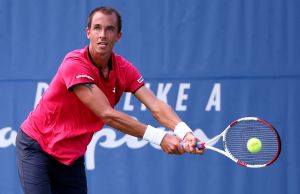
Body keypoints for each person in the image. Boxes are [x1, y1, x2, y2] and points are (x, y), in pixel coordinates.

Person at [16, 6, 203, 194]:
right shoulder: (74, 64)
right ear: (88, 32)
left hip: (70, 155)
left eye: (109, 29)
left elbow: (155, 105)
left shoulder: (124, 69)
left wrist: (184, 132)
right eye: (97, 28)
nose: (102, 34)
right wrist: (160, 137)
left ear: (118, 35)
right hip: (37, 145)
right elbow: (107, 115)